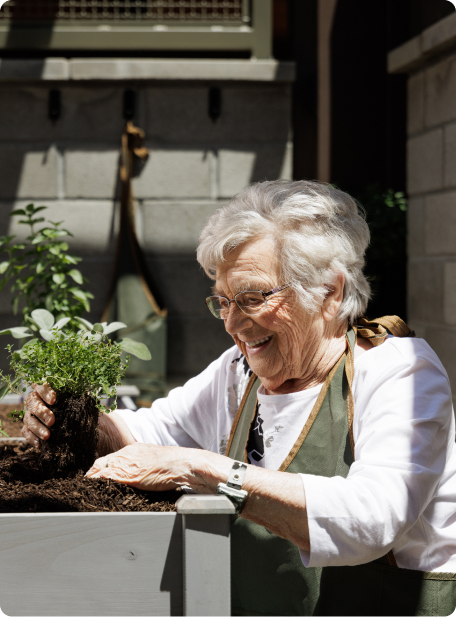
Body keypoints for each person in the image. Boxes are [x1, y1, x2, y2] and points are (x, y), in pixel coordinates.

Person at [23, 181, 456, 616]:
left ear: (330, 291)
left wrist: (198, 467)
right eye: (223, 301)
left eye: (252, 298)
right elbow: (140, 436)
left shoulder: (399, 372)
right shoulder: (238, 371)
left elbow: (372, 518)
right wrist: (68, 416)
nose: (232, 323)